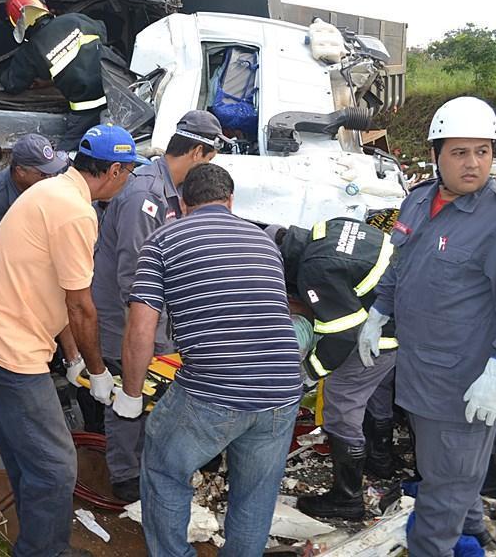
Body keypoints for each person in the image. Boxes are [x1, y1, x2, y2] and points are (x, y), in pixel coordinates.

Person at [359, 96, 496, 555]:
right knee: (444, 471)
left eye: (483, 151)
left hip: (465, 387)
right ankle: (473, 530)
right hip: (421, 374)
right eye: (460, 152)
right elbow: (400, 265)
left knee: (443, 491)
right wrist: (379, 312)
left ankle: (439, 543)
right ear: (436, 155)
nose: (473, 164)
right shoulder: (418, 201)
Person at [0, 123, 149, 557]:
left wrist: (72, 358)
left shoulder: (49, 191)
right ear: (114, 171)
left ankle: (33, 538)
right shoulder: (76, 213)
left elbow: (60, 290)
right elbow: (82, 307)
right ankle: (43, 551)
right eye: (128, 173)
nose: (128, 182)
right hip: (10, 351)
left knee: (20, 445)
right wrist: (99, 372)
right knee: (57, 465)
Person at [114, 163, 302, 557]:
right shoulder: (263, 240)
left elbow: (141, 327)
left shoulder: (163, 241)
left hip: (214, 389)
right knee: (255, 493)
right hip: (283, 388)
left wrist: (131, 395)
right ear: (230, 201)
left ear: (183, 203)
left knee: (165, 469)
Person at [90, 110, 225, 502]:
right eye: (211, 159)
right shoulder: (145, 195)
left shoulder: (171, 191)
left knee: (150, 388)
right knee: (130, 387)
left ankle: (149, 461)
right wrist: (154, 334)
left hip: (155, 314)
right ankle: (125, 477)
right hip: (127, 316)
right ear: (198, 151)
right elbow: (134, 277)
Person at [269, 217, 399, 521]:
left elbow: (342, 335)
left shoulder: (314, 269)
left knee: (342, 405)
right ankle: (380, 460)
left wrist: (308, 375)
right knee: (376, 390)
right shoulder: (329, 228)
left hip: (381, 332)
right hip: (401, 313)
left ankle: (348, 499)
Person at [0, 133, 67, 299]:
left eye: (52, 171)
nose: (51, 177)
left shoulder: (50, 179)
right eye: (44, 174)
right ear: (21, 171)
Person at [0, 0, 108, 152]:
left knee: (66, 155)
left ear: (18, 25)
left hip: (86, 108)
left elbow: (13, 83)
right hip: (117, 93)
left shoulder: (32, 50)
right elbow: (103, 34)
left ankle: (59, 174)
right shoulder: (75, 19)